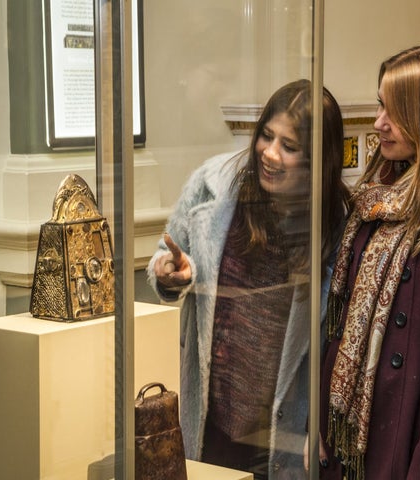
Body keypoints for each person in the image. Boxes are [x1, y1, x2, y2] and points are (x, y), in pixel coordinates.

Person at [147, 79, 350, 479]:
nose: (270, 154)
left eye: (289, 147)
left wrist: (324, 424)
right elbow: (165, 255)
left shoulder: (338, 225)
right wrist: (171, 273)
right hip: (212, 414)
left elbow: (340, 343)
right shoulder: (211, 184)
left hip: (284, 429)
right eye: (266, 136)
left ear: (317, 160)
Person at [312, 46, 420, 480]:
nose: (378, 123)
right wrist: (317, 413)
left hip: (407, 424)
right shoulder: (371, 203)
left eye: (394, 110)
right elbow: (336, 327)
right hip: (347, 428)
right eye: (379, 104)